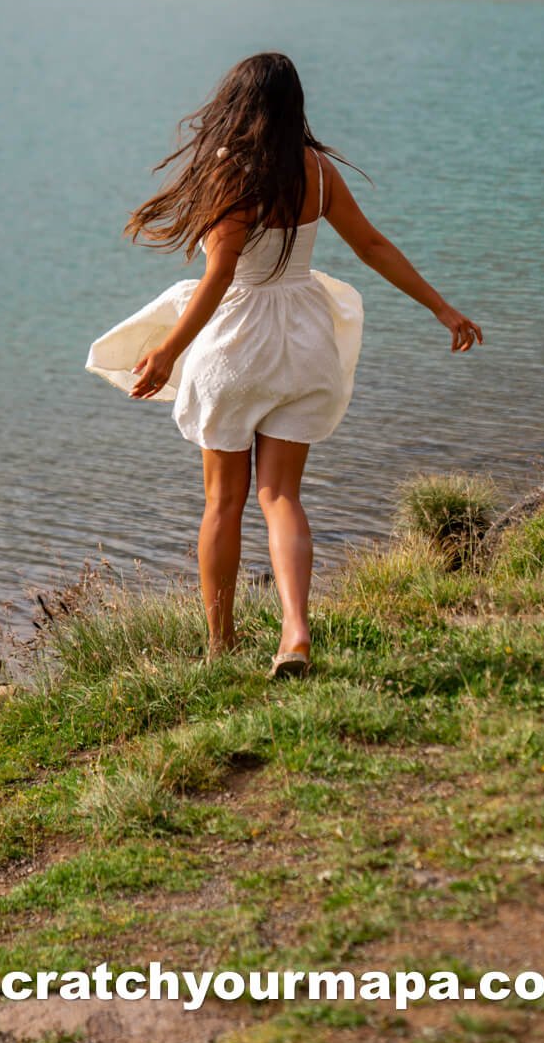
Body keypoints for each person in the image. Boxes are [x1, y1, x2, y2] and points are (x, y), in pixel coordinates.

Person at [86, 52, 481, 677]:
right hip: (305, 341)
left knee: (223, 503)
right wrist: (441, 307)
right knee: (281, 496)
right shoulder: (317, 173)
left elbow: (218, 278)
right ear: (294, 106)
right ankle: (295, 630)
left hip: (238, 345)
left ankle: (222, 645)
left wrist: (168, 350)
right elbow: (373, 246)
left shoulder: (231, 176)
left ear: (235, 106)